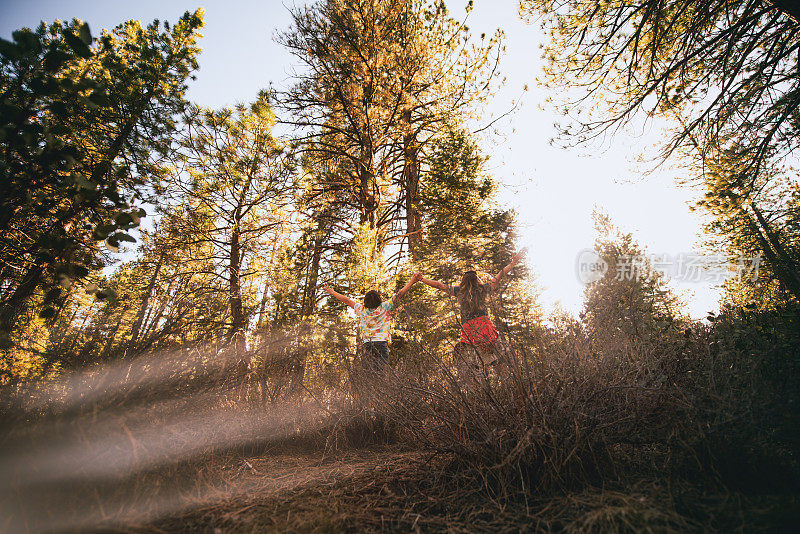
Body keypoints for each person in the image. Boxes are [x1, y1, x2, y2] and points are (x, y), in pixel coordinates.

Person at [418, 249, 525, 368]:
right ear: (477, 280)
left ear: (463, 282)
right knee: (500, 359)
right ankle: (503, 381)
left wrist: (422, 279)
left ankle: (483, 382)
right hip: (486, 328)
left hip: (470, 332)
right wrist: (512, 263)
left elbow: (439, 285)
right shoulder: (483, 289)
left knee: (477, 365)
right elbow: (499, 276)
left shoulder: (459, 292)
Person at [323, 273, 422, 369]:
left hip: (368, 344)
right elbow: (399, 294)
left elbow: (347, 300)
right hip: (382, 343)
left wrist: (332, 292)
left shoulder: (361, 309)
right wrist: (412, 281)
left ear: (365, 301)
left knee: (369, 373)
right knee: (381, 372)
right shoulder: (385, 307)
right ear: (379, 299)